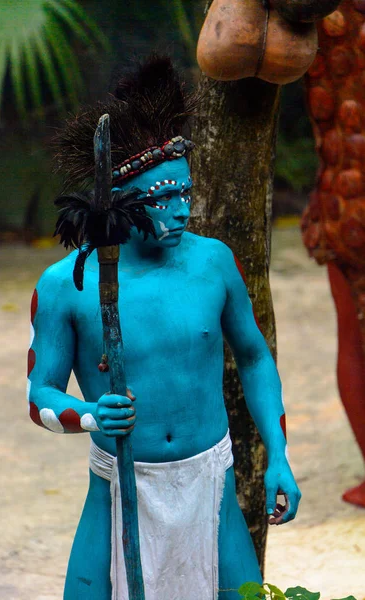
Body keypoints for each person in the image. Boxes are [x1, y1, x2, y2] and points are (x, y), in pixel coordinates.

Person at [27, 56, 301, 600]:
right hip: (118, 484)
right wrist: (87, 413)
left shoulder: (214, 263)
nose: (180, 211)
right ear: (119, 203)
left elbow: (253, 355)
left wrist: (279, 454)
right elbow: (38, 396)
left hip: (210, 481)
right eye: (161, 199)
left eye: (184, 193)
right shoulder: (66, 285)